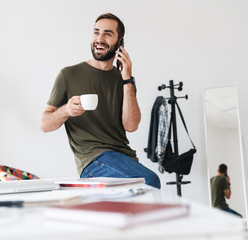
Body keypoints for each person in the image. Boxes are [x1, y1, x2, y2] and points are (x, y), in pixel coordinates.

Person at [40, 13, 161, 189]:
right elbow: (44, 124)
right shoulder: (68, 75)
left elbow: (131, 125)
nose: (99, 38)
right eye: (96, 32)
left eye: (107, 34)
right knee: (149, 181)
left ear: (120, 42)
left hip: (124, 158)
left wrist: (127, 79)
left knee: (139, 196)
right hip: (93, 160)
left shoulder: (124, 80)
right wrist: (66, 110)